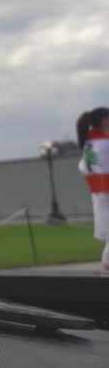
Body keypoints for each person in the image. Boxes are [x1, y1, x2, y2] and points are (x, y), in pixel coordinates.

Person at [75, 107, 109, 271]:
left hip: (99, 190)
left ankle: (107, 263)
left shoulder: (89, 143)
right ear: (104, 121)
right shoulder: (104, 143)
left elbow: (82, 167)